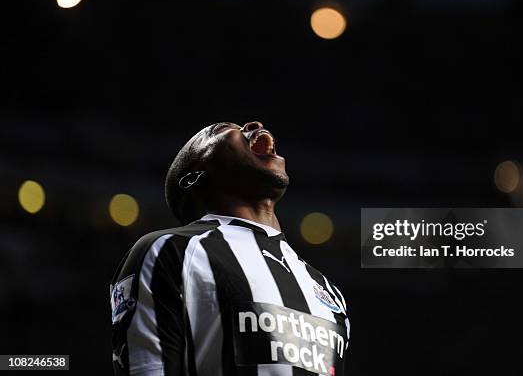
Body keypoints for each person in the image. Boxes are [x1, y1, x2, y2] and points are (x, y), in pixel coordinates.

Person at [110, 121, 350, 376]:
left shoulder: (327, 290)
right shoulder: (171, 251)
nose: (254, 124)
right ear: (193, 177)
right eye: (222, 129)